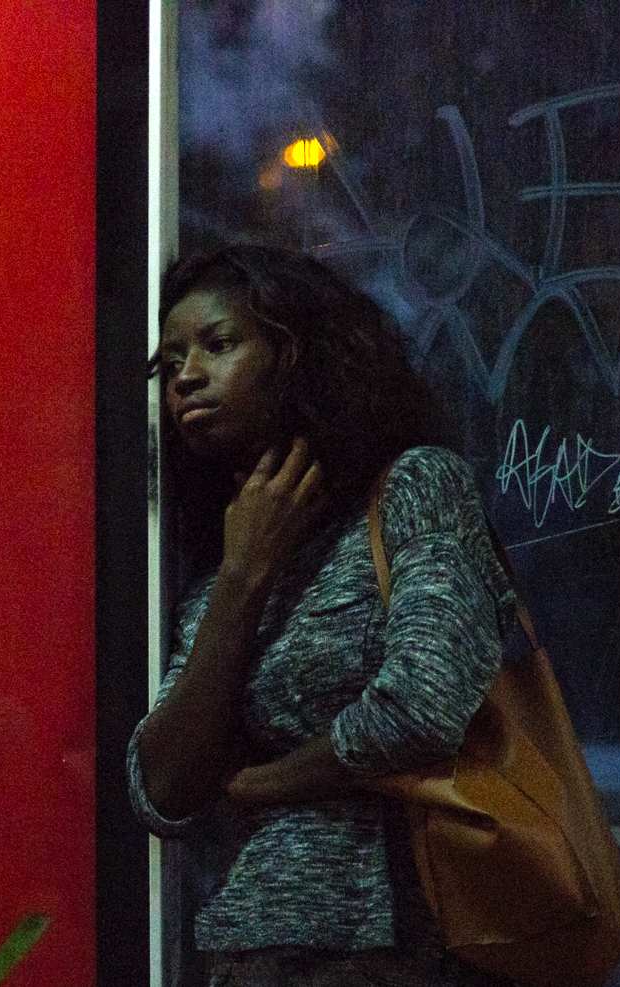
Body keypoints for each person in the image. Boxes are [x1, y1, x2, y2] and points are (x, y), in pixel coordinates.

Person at [130, 245, 518, 987]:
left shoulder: (414, 490)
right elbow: (161, 789)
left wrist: (265, 782)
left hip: (403, 943)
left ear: (294, 358)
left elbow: (423, 704)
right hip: (254, 954)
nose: (185, 376)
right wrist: (245, 576)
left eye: (218, 344)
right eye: (171, 359)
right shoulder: (232, 558)